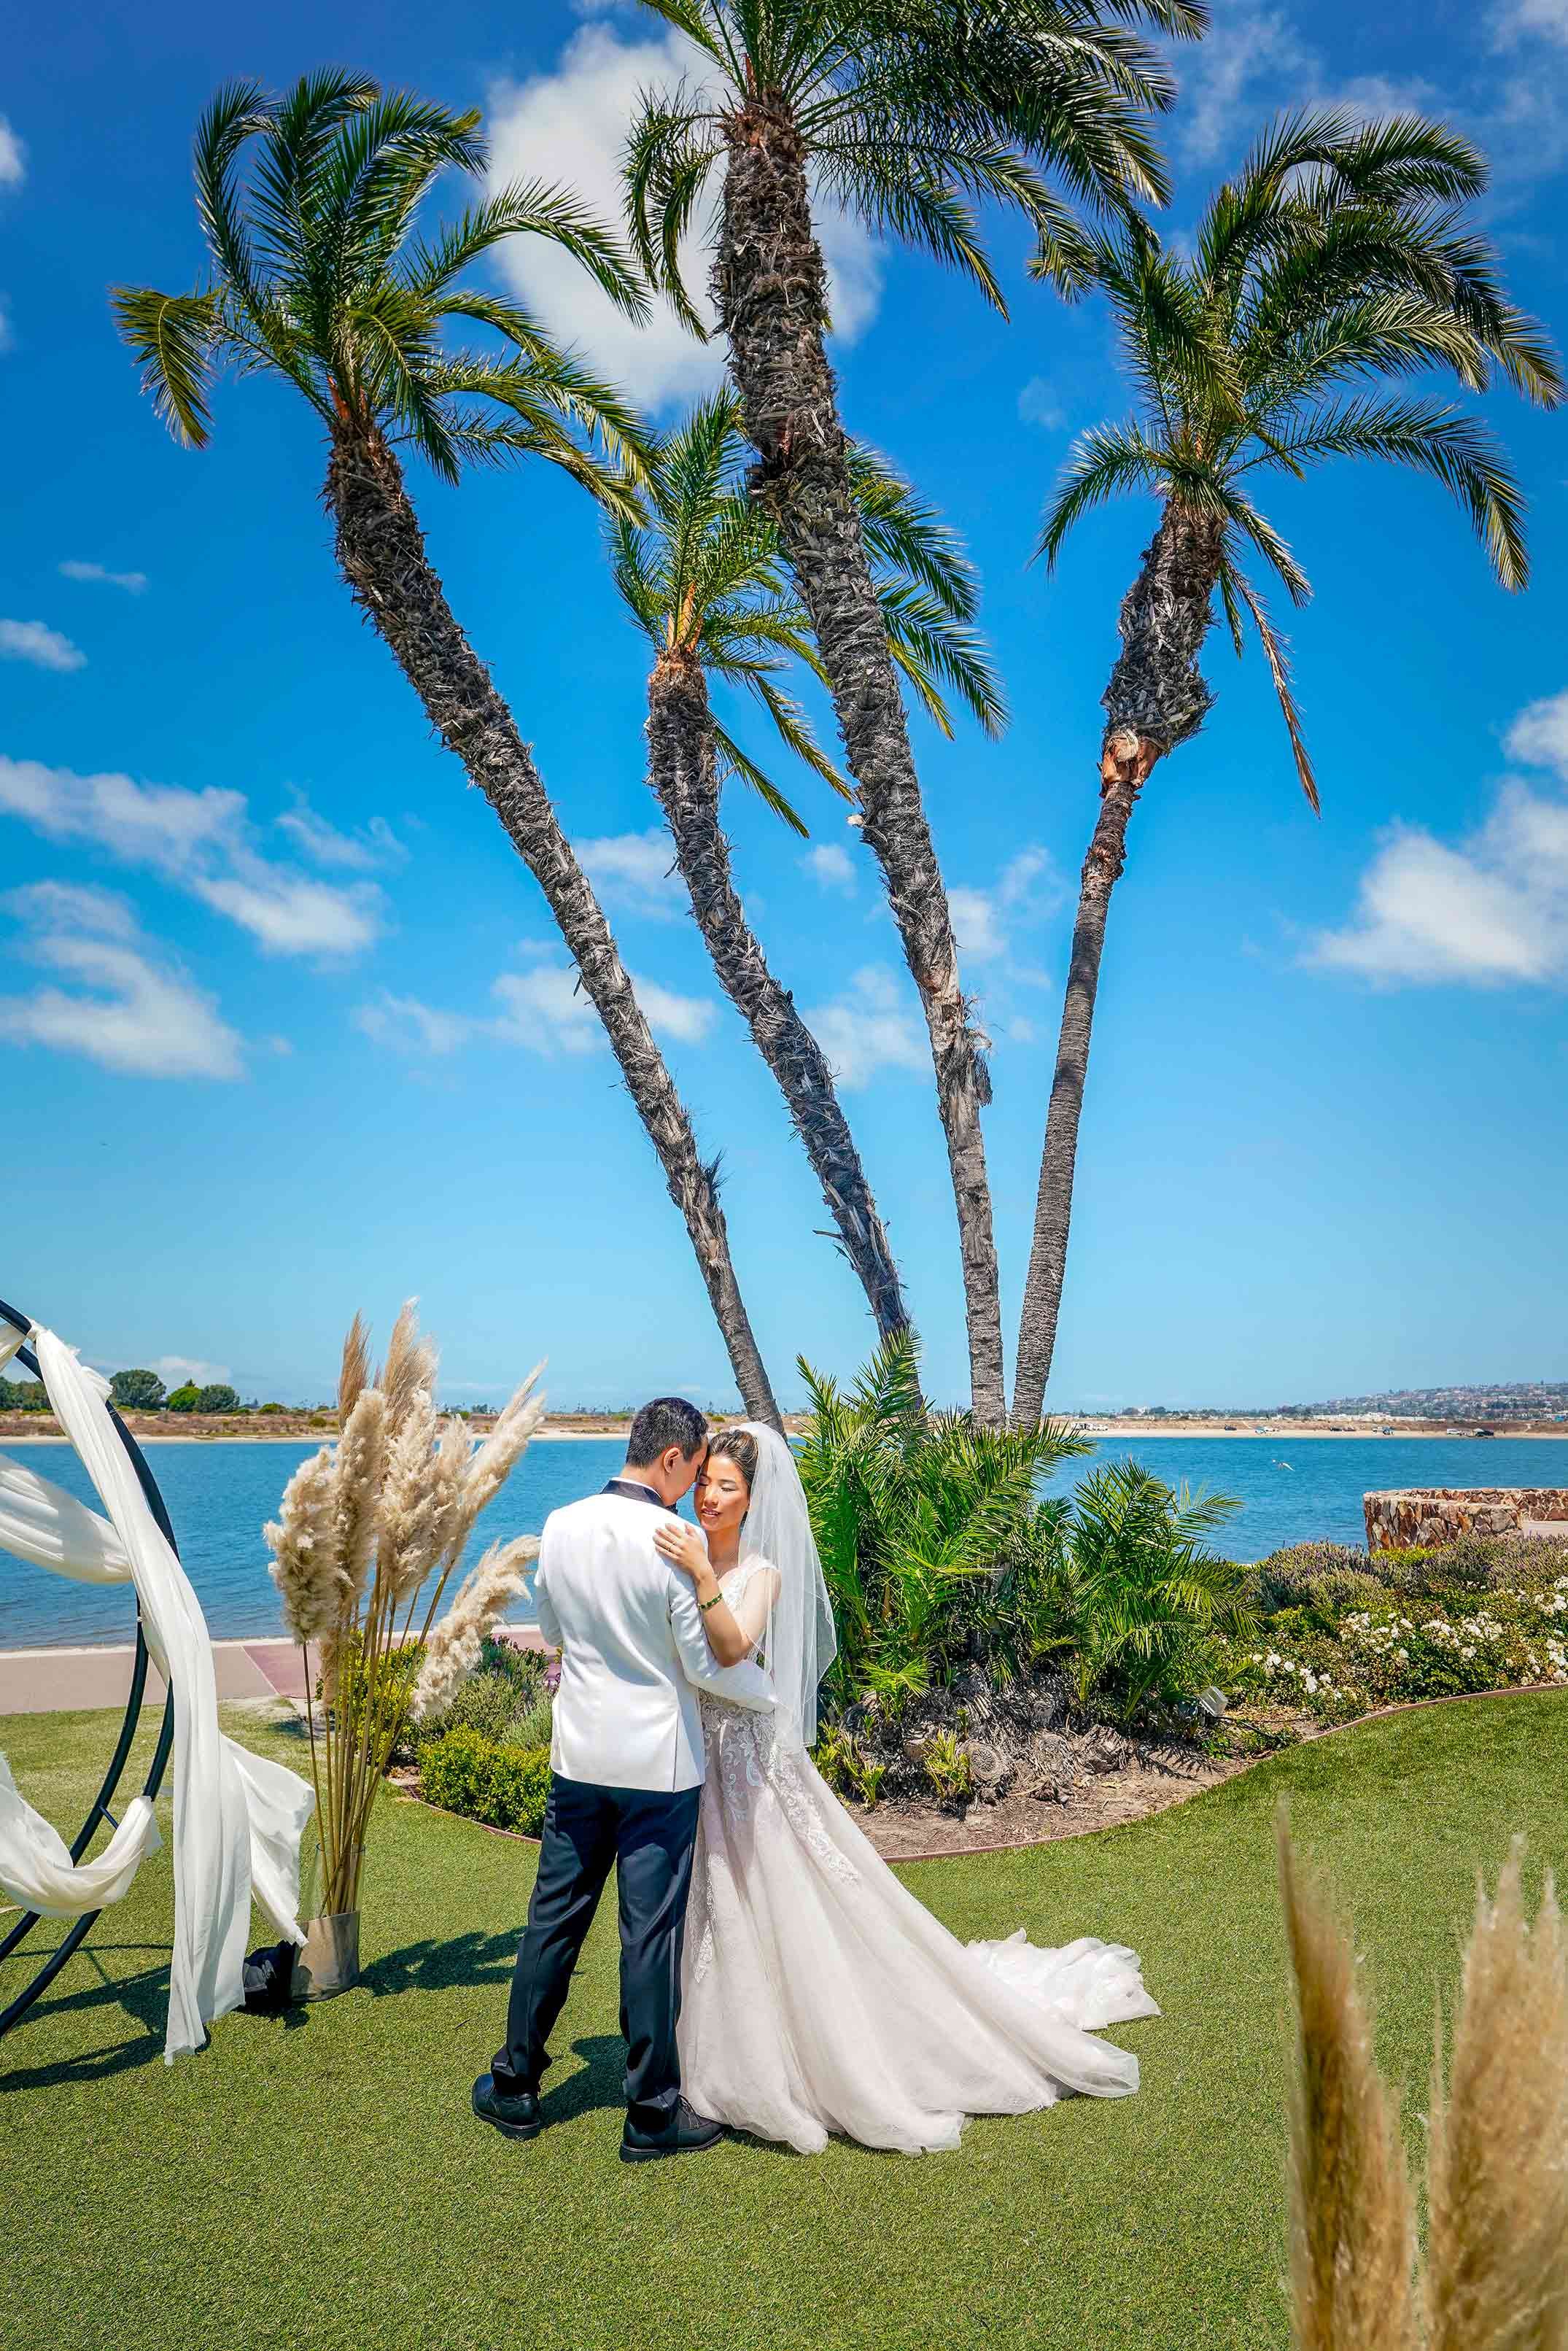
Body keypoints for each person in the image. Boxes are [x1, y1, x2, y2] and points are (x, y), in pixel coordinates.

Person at [651, 1423, 1160, 2155]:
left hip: (751, 1759)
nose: (709, 1496)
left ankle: (815, 2053)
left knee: (780, 1890)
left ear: (753, 1498)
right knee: (719, 1901)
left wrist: (701, 1574)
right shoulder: (684, 1556)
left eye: (726, 1486)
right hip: (703, 1754)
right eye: (704, 1482)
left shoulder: (758, 1572)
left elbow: (733, 1646)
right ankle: (721, 2047)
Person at [471, 1397, 775, 2164]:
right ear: (671, 1458)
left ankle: (514, 2084)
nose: (695, 1489)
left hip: (577, 1757)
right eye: (694, 1469)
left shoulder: (562, 1525)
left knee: (553, 1922)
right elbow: (706, 1662)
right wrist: (764, 1694)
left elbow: (551, 1631)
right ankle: (649, 2110)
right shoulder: (671, 1539)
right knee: (648, 1936)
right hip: (658, 1767)